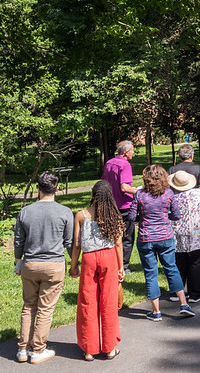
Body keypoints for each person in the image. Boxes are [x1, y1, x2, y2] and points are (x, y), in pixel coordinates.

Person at [13, 172, 74, 364]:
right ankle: (38, 349)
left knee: (28, 306)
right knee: (45, 309)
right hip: (54, 264)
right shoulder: (65, 212)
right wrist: (75, 264)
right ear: (57, 189)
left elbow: (18, 240)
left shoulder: (25, 211)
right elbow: (70, 242)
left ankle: (22, 349)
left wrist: (17, 259)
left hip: (30, 263)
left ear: (37, 189)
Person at [129, 164, 196, 320]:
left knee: (151, 274)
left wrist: (142, 219)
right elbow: (177, 215)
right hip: (165, 237)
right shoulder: (168, 193)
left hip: (146, 239)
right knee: (172, 269)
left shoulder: (139, 195)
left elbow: (132, 216)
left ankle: (156, 311)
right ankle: (184, 304)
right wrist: (166, 217)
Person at [69, 180, 125, 361]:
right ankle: (109, 348)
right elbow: (118, 243)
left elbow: (76, 244)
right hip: (108, 257)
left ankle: (89, 349)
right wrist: (121, 266)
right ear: (110, 197)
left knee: (88, 301)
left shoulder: (81, 215)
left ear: (93, 195)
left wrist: (73, 265)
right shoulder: (113, 216)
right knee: (108, 301)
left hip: (88, 259)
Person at [169, 170, 200, 303]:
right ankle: (196, 294)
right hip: (198, 233)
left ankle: (175, 292)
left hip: (178, 233)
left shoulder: (172, 196)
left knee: (178, 263)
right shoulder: (198, 194)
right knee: (197, 263)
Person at [101, 140, 137, 274]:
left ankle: (111, 263)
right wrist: (141, 191)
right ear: (126, 152)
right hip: (124, 206)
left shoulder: (109, 163)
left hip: (110, 204)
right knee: (127, 236)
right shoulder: (125, 164)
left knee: (111, 235)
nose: (133, 152)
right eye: (132, 150)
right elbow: (124, 187)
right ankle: (124, 265)